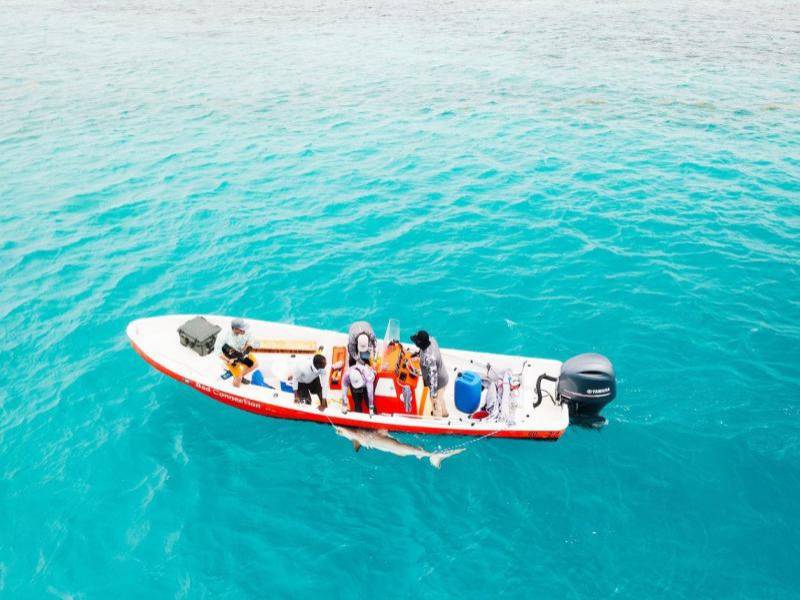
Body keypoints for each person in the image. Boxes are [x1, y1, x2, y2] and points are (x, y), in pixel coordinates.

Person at [410, 330, 449, 418]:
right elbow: (425, 350)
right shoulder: (431, 340)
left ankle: (437, 417)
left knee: (435, 400)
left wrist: (433, 395)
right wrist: (418, 355)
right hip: (443, 374)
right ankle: (445, 413)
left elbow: (433, 378)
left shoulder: (430, 359)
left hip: (438, 381)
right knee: (441, 397)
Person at [215, 318, 259, 387]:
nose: (244, 331)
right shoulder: (223, 336)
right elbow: (218, 352)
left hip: (241, 353)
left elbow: (249, 341)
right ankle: (237, 380)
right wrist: (228, 360)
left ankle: (239, 375)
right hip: (230, 357)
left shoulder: (245, 331)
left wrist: (245, 351)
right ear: (235, 329)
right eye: (241, 329)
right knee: (238, 378)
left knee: (255, 364)